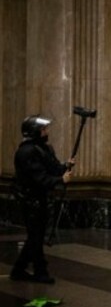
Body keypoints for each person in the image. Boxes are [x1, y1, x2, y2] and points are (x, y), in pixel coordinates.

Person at [11, 116, 74, 284]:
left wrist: (65, 167)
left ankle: (19, 269)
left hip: (41, 198)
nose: (46, 132)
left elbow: (52, 168)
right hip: (30, 200)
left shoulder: (43, 149)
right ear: (34, 132)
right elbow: (39, 177)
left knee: (35, 236)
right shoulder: (26, 152)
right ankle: (39, 271)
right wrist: (60, 180)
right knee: (36, 237)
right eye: (43, 130)